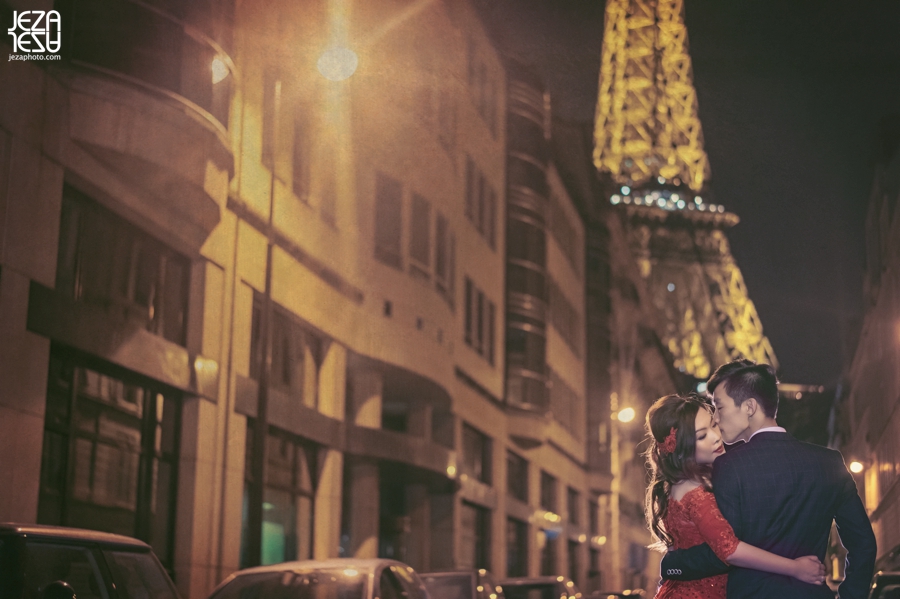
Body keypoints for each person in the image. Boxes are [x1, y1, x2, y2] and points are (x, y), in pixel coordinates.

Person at [659, 360, 877, 598]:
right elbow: (863, 543)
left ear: (749, 407)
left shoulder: (729, 466)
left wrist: (672, 563)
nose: (717, 420)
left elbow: (723, 551)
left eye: (719, 408)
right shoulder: (829, 462)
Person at [645, 392, 826, 599]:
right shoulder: (695, 492)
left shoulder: (686, 483)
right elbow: (729, 549)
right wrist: (794, 568)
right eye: (702, 436)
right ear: (680, 449)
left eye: (714, 425)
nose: (716, 437)